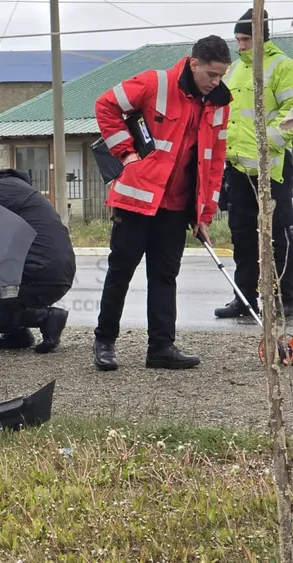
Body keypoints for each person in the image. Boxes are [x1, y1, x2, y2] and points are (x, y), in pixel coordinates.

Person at [92, 35, 233, 371]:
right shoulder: (157, 82)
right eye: (211, 75)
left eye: (221, 76)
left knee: (165, 275)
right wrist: (125, 153)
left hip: (176, 206)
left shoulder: (219, 105)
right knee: (120, 271)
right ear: (194, 63)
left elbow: (214, 161)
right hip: (137, 200)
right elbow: (105, 105)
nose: (216, 82)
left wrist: (205, 214)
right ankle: (104, 341)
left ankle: (161, 347)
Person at [214, 9, 293, 320]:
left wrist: (266, 143)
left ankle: (287, 297)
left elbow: (291, 111)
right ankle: (244, 298)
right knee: (242, 235)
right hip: (237, 167)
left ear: (261, 36)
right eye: (237, 40)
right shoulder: (233, 71)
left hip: (272, 167)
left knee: (279, 233)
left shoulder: (282, 66)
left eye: (245, 39)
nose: (240, 45)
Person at [0, 168, 76, 353]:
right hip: (52, 271)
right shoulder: (15, 189)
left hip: (39, 272)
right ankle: (17, 334)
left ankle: (45, 318)